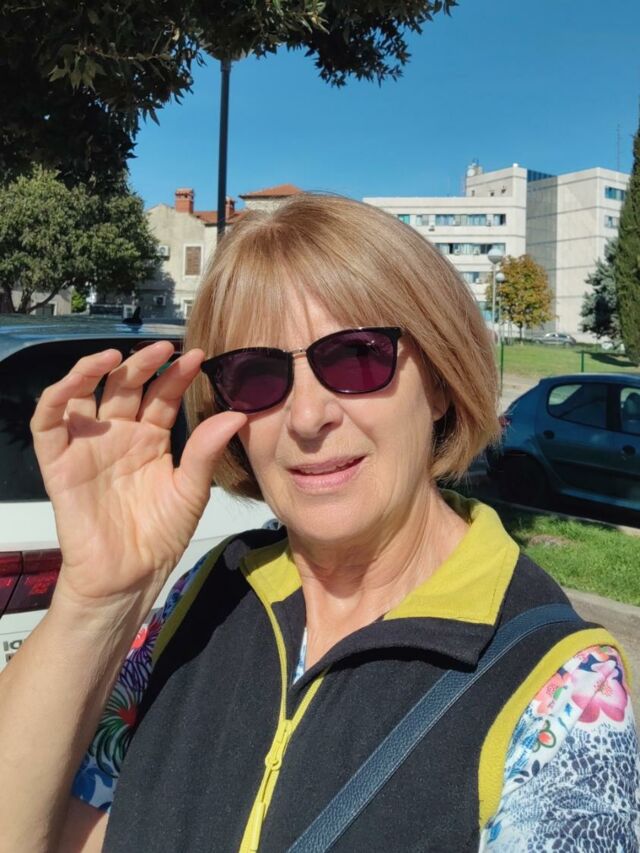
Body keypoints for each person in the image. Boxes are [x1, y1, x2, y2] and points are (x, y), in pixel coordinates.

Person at [0, 193, 638, 853]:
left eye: (357, 357)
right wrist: (99, 599)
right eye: (255, 374)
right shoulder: (207, 597)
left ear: (440, 382)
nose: (307, 418)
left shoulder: (560, 687)